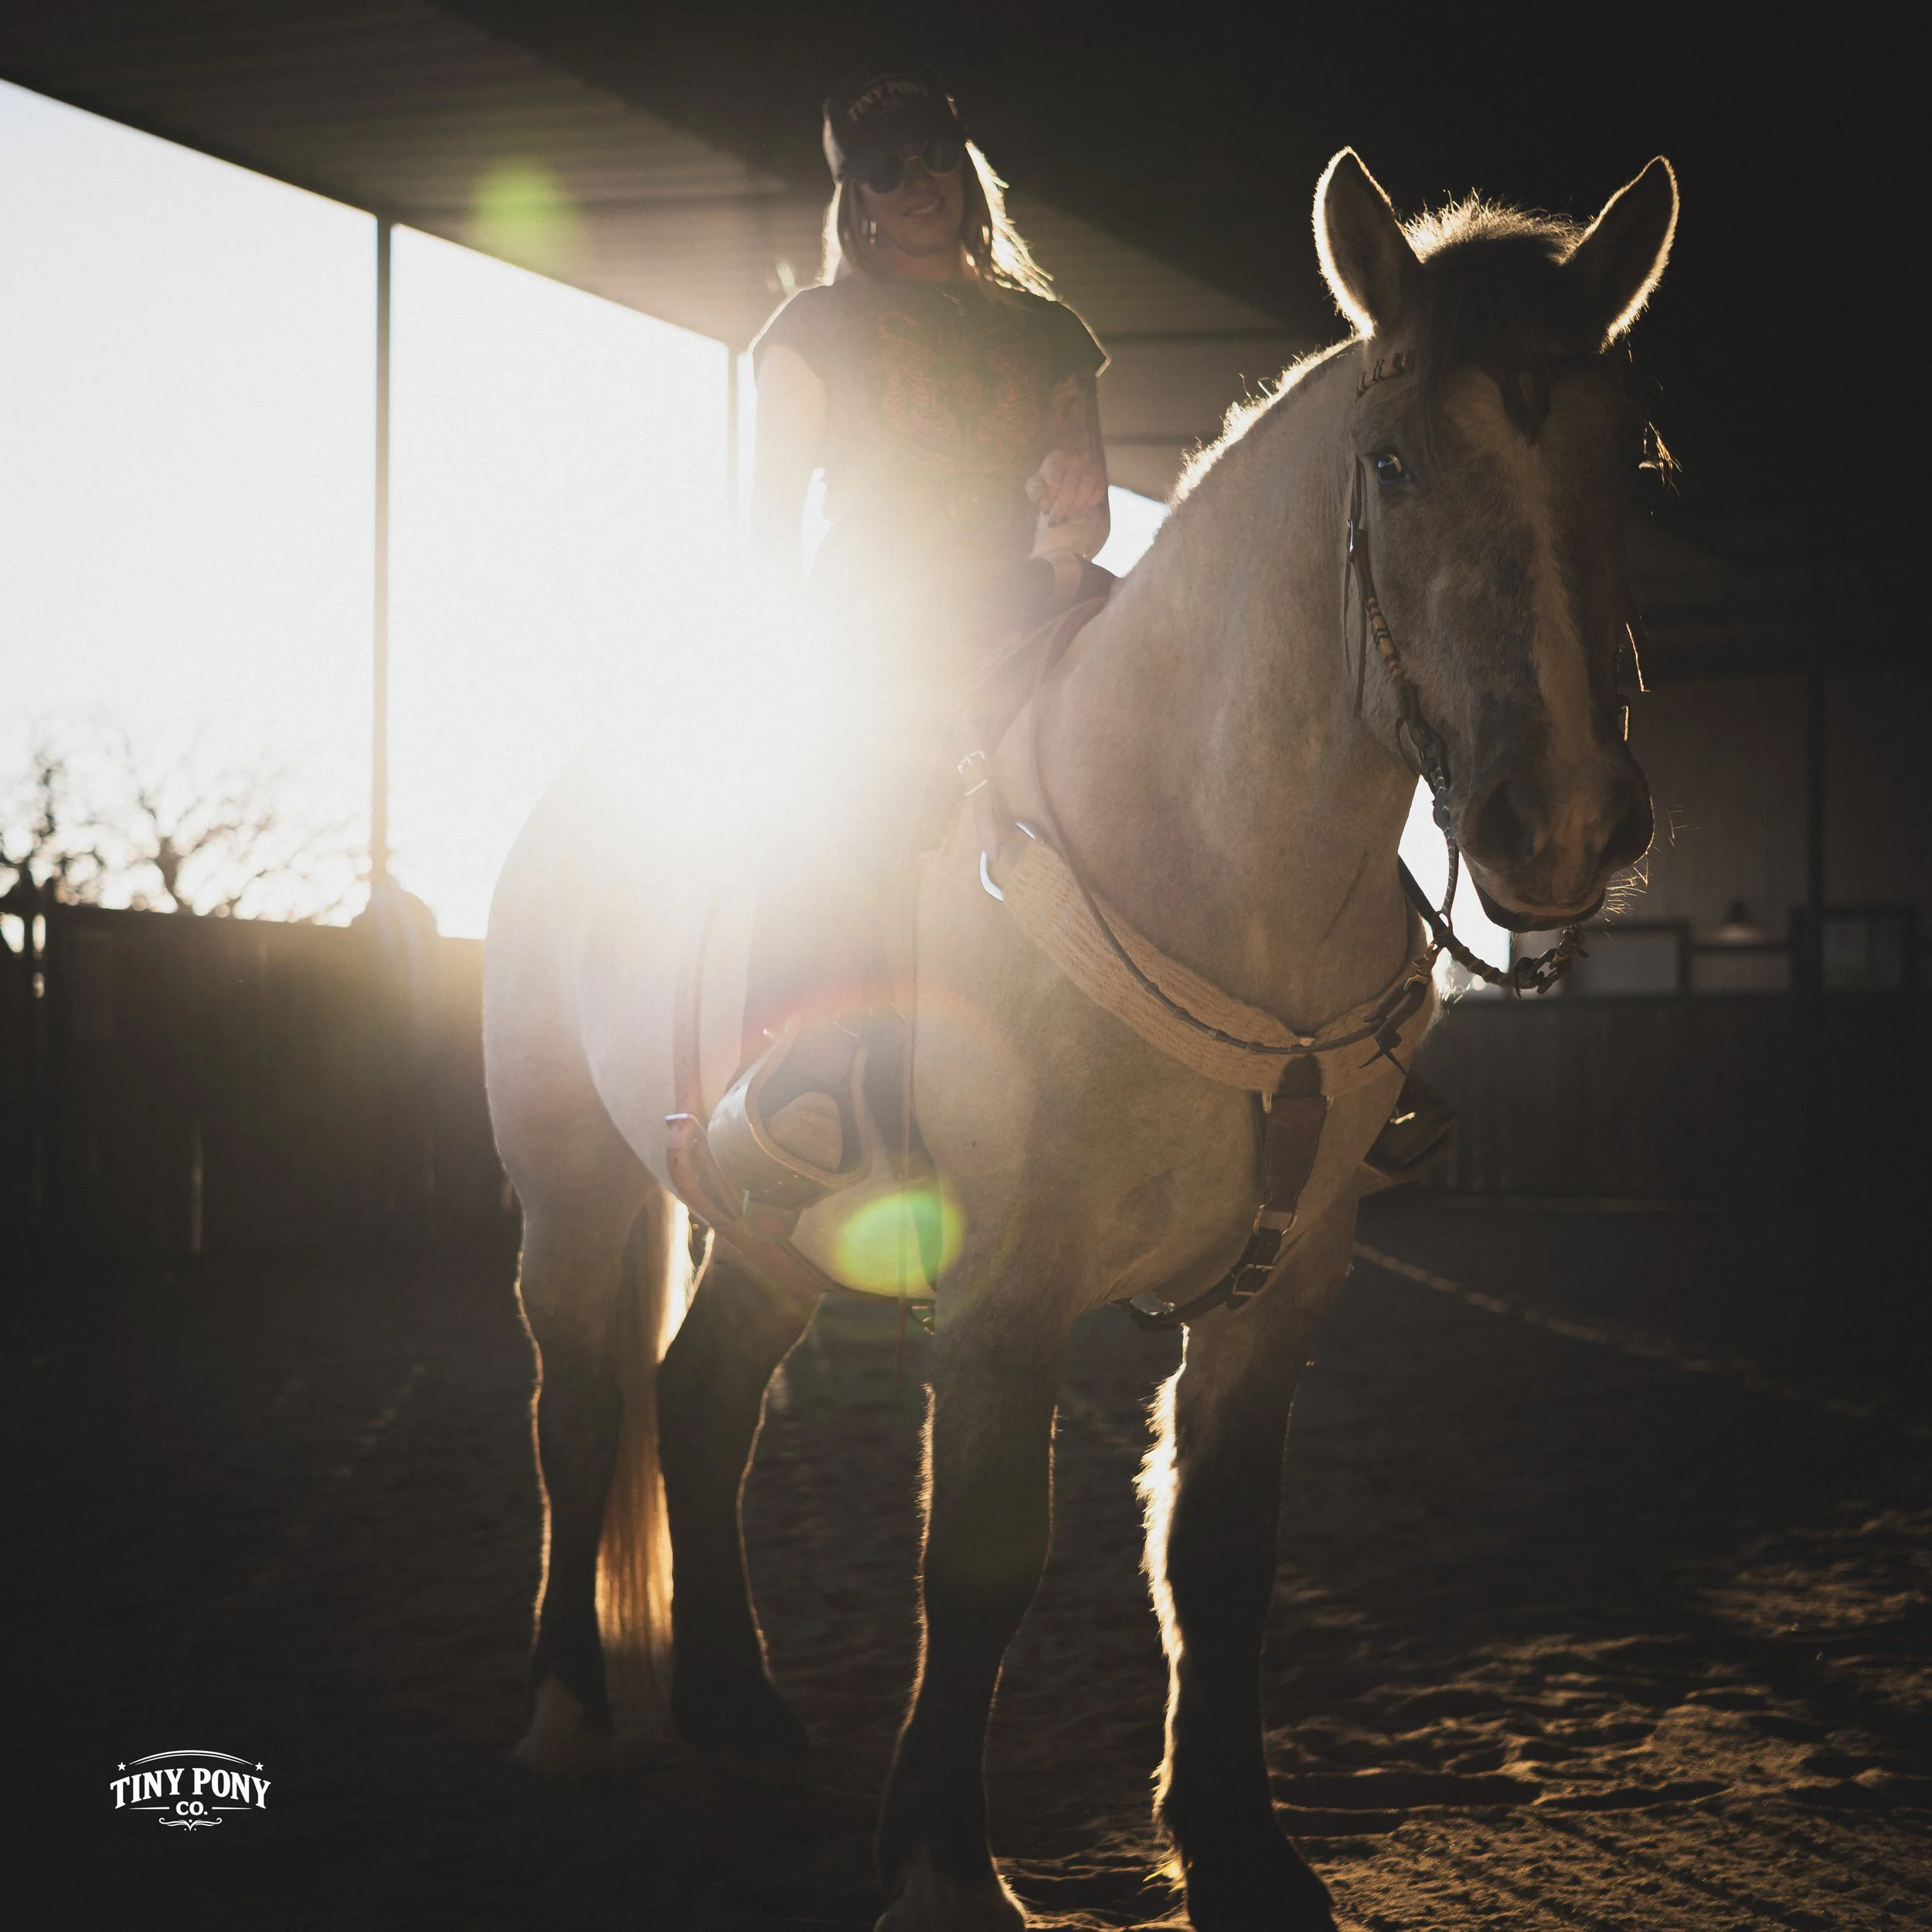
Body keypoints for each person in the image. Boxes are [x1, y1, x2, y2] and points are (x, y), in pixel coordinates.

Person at [708, 63, 1114, 1200]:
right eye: (886, 169)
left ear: (965, 167)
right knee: (850, 780)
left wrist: (1072, 505)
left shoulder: (1050, 331)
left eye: (935, 153)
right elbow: (769, 517)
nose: (918, 180)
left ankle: (1330, 1023)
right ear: (858, 203)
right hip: (880, 605)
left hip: (1030, 589)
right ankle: (814, 1065)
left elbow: (1088, 503)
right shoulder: (815, 325)